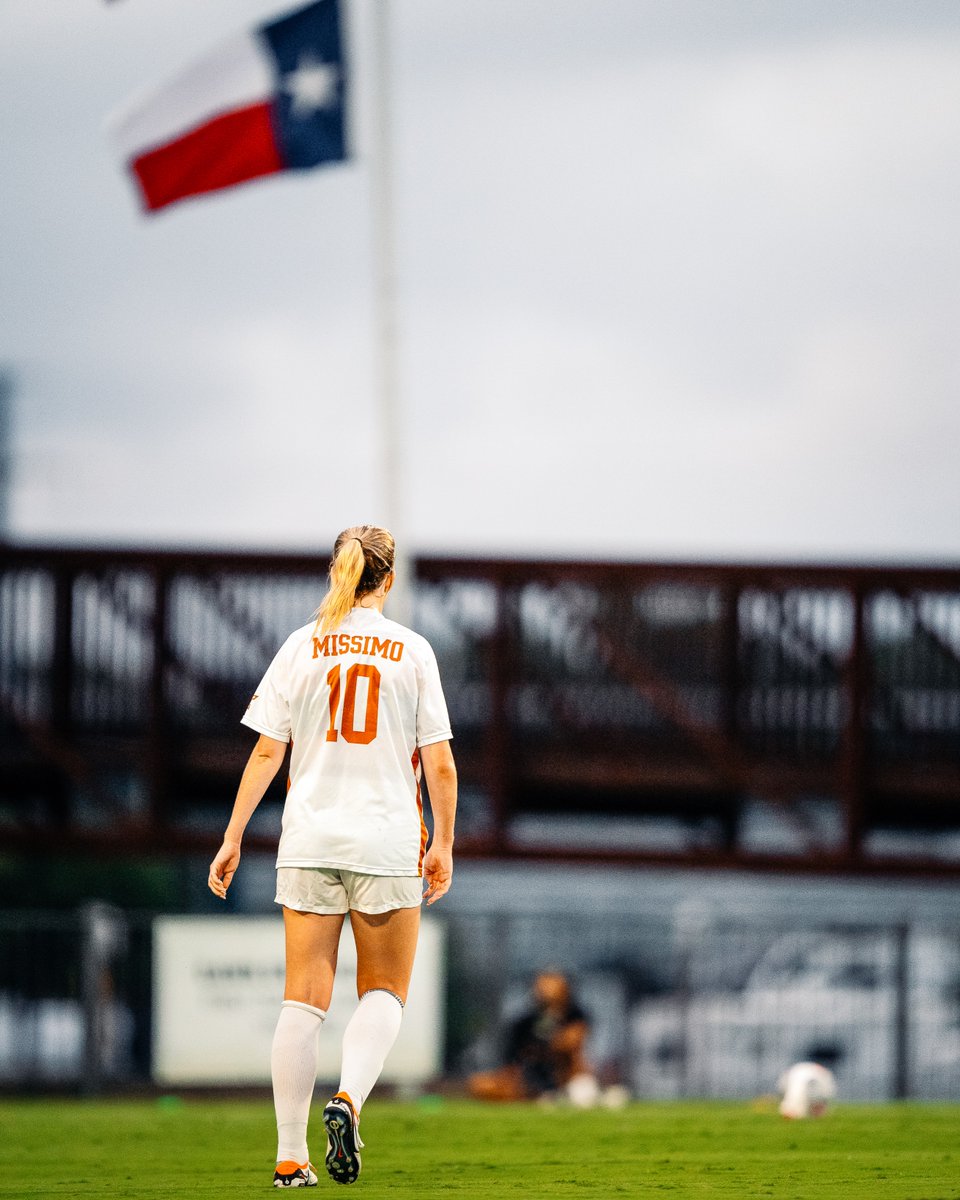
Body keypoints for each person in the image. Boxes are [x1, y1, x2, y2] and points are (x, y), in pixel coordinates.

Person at [207, 525, 457, 1188]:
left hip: (310, 840)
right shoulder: (411, 650)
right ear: (390, 579)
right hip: (386, 840)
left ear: (336, 571)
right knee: (384, 991)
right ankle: (346, 1099)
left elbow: (267, 751)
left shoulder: (302, 644)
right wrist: (445, 844)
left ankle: (291, 1159)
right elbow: (440, 763)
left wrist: (232, 836)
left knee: (303, 999)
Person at [467, 970, 598, 1105]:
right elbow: (512, 1062)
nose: (545, 991)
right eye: (541, 986)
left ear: (565, 990)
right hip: (529, 1078)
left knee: (582, 1091)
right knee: (481, 1084)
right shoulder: (523, 1024)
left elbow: (572, 1047)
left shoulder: (576, 1018)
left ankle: (557, 1094)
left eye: (551, 985)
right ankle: (537, 1095)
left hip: (564, 1076)